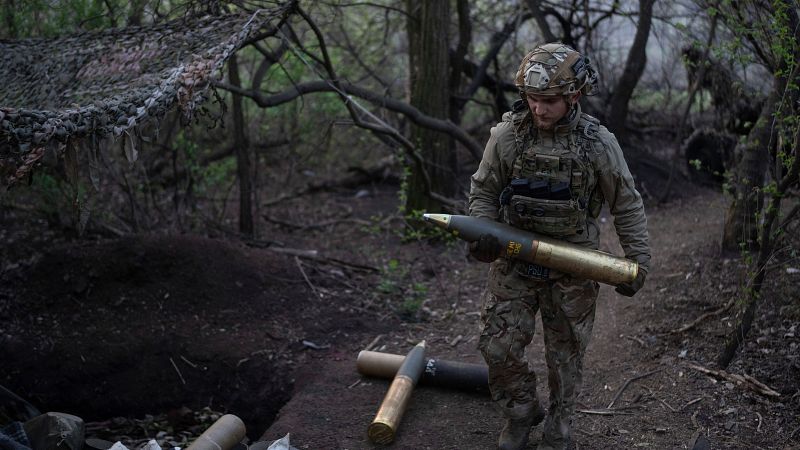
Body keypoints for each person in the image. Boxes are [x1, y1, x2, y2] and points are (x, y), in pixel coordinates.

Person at [468, 42, 651, 450]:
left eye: (548, 100)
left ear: (574, 96)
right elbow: (483, 190)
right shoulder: (507, 137)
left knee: (565, 355)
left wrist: (638, 260)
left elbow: (626, 202)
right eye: (532, 99)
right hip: (515, 258)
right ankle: (520, 411)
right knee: (497, 345)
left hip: (574, 264)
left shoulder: (598, 144)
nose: (538, 109)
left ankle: (560, 423)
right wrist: (483, 230)